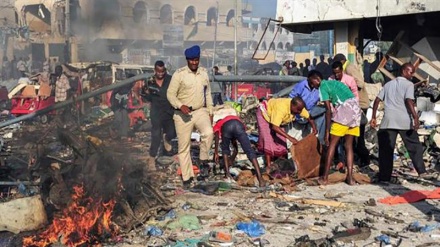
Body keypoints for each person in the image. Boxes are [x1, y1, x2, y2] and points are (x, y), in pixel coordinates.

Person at [370, 63, 433, 182]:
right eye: (411, 72)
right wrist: (415, 117)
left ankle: (384, 178)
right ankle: (422, 172)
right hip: (404, 121)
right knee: (414, 146)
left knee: (386, 151)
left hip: (388, 122)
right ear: (404, 71)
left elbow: (377, 100)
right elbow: (409, 100)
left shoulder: (388, 84)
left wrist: (373, 116)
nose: (412, 75)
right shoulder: (409, 84)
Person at [167, 45, 214, 189]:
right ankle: (187, 179)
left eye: (196, 60)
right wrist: (180, 105)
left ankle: (203, 160)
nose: (194, 63)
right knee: (184, 147)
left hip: (200, 111)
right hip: (182, 114)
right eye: (192, 60)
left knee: (209, 133)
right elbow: (170, 94)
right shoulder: (179, 74)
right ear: (187, 60)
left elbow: (207, 94)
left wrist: (210, 112)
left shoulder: (203, 73)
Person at [318, 80, 361, 185]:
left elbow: (328, 110)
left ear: (315, 79)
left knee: (332, 145)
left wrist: (327, 132)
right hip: (355, 111)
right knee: (349, 146)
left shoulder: (323, 86)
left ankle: (324, 178)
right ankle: (350, 178)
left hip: (344, 113)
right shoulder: (337, 83)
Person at [333, 53, 370, 167]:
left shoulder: (349, 68)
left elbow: (360, 83)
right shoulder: (346, 69)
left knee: (357, 136)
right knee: (351, 137)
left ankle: (364, 159)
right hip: (352, 105)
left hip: (359, 104)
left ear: (342, 62)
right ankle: (355, 159)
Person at [256, 96, 317, 167]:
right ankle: (269, 166)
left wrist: (314, 128)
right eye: (298, 110)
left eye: (300, 110)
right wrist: (290, 138)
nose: (299, 112)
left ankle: (282, 163)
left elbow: (309, 117)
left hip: (277, 120)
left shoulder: (299, 108)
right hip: (264, 114)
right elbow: (274, 127)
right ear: (292, 105)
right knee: (268, 139)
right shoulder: (281, 108)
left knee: (282, 140)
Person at [213, 115, 265, 187]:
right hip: (238, 125)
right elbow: (235, 147)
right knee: (249, 150)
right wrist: (233, 156)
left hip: (227, 127)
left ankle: (227, 175)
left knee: (225, 150)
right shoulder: (231, 117)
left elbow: (216, 137)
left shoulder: (218, 124)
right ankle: (260, 178)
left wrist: (216, 152)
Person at [144, 60, 176, 169]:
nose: (160, 73)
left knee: (172, 132)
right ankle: (152, 158)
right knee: (156, 136)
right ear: (155, 70)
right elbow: (146, 96)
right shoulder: (150, 81)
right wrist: (146, 94)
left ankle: (166, 138)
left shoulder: (170, 80)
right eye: (158, 71)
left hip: (168, 111)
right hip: (156, 112)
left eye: (162, 71)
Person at [288, 70, 324, 142]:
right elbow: (291, 98)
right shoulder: (301, 85)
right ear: (309, 78)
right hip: (298, 115)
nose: (317, 83)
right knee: (295, 137)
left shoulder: (319, 88)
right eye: (315, 80)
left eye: (318, 81)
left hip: (310, 115)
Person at [110, 76, 132, 141]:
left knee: (125, 119)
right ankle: (113, 128)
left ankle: (123, 135)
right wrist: (117, 106)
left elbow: (126, 96)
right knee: (119, 119)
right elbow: (114, 99)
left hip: (123, 103)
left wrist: (125, 104)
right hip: (116, 104)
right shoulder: (119, 86)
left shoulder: (129, 86)